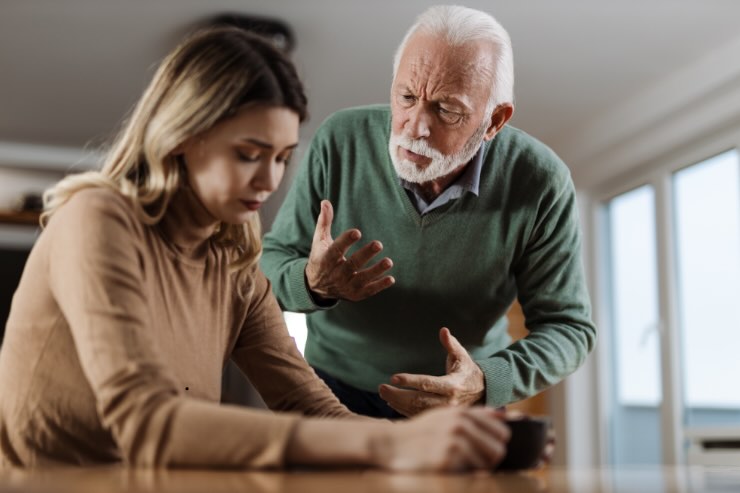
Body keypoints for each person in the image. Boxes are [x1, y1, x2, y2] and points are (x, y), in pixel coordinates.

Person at [0, 27, 512, 471]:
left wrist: (415, 446)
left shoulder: (231, 261)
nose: (269, 180)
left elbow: (306, 401)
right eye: (248, 154)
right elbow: (145, 419)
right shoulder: (98, 220)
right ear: (181, 136)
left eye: (283, 157)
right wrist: (386, 444)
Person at [261, 5, 597, 419]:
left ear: (494, 121)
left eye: (446, 110)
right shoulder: (339, 141)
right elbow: (268, 267)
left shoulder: (541, 181)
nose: (414, 127)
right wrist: (311, 283)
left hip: (463, 397)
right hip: (332, 384)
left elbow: (569, 328)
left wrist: (487, 381)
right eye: (406, 97)